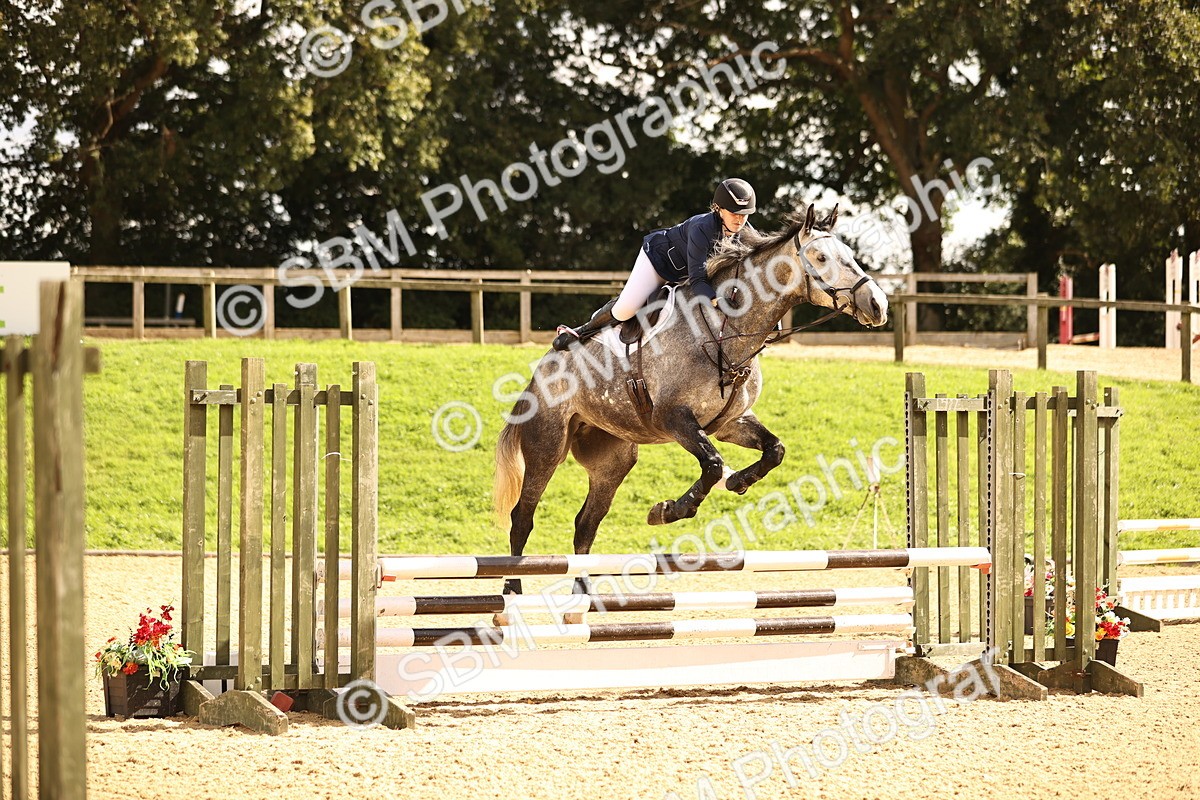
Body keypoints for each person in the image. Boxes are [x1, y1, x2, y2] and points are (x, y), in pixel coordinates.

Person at [551, 178, 757, 351]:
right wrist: (717, 301)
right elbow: (698, 279)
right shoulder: (701, 228)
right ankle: (581, 331)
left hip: (683, 273)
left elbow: (751, 267)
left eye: (744, 214)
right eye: (733, 213)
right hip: (658, 261)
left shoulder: (744, 231)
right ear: (718, 209)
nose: (739, 220)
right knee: (626, 310)